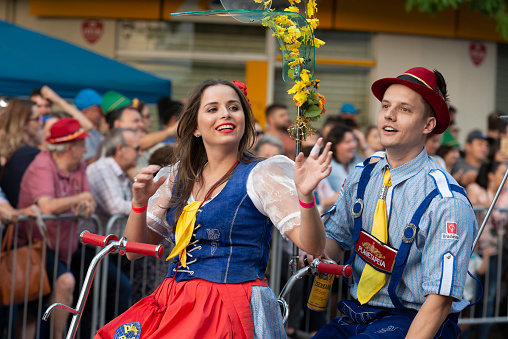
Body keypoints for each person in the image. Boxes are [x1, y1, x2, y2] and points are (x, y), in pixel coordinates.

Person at [94, 79, 331, 338]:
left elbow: (313, 246)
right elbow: (133, 252)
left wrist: (306, 195)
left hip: (230, 304)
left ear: (244, 119)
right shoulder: (175, 177)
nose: (225, 114)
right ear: (195, 127)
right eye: (212, 109)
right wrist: (138, 204)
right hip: (174, 300)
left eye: (233, 107)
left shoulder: (263, 174)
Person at [306, 67, 477, 338]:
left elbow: (439, 302)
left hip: (414, 321)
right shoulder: (363, 174)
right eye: (385, 105)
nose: (389, 114)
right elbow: (330, 246)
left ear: (428, 125)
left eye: (404, 109)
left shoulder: (447, 201)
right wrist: (305, 197)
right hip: (356, 313)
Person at [17, 117, 96, 339]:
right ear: (69, 146)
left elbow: (89, 200)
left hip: (62, 250)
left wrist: (86, 205)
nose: (85, 150)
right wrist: (79, 198)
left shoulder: (78, 165)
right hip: (33, 247)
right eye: (82, 144)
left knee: (33, 312)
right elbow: (47, 205)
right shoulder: (42, 165)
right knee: (62, 284)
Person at [466, 161, 508, 338]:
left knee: (490, 298)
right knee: (469, 297)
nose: (505, 179)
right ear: (491, 175)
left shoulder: (506, 195)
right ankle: (463, 334)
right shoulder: (477, 188)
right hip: (474, 253)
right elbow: (471, 204)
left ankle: (482, 336)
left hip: (495, 254)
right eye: (502, 173)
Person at [0, 98, 43, 207]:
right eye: (37, 118)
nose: (41, 122)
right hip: (21, 217)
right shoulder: (29, 154)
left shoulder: (6, 150)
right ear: (24, 122)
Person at [325, 124, 364, 191]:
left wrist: (364, 143)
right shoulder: (327, 167)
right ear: (335, 145)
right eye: (348, 142)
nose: (353, 145)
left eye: (354, 140)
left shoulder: (358, 160)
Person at [73, 88, 105, 164]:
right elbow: (92, 162)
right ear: (85, 111)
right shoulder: (82, 132)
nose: (100, 115)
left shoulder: (92, 132)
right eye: (97, 110)